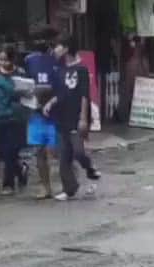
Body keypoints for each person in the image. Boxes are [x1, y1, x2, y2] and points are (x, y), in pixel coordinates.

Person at [44, 38, 97, 201]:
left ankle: (89, 168)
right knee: (64, 155)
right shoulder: (59, 70)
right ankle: (69, 188)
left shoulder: (81, 70)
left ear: (66, 49)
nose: (54, 50)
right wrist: (50, 103)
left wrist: (83, 118)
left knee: (79, 152)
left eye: (57, 47)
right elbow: (60, 94)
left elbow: (84, 96)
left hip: (76, 117)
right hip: (61, 116)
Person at [0, 46, 24, 196]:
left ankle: (8, 184)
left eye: (5, 59)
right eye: (0, 59)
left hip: (15, 116)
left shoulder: (20, 73)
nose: (2, 62)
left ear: (12, 59)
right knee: (4, 152)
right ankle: (20, 170)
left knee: (10, 150)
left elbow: (26, 92)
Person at [24, 36, 59, 199]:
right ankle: (46, 187)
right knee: (39, 150)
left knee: (54, 150)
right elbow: (24, 85)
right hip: (36, 111)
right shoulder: (29, 61)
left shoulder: (58, 61)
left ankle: (64, 182)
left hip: (55, 112)